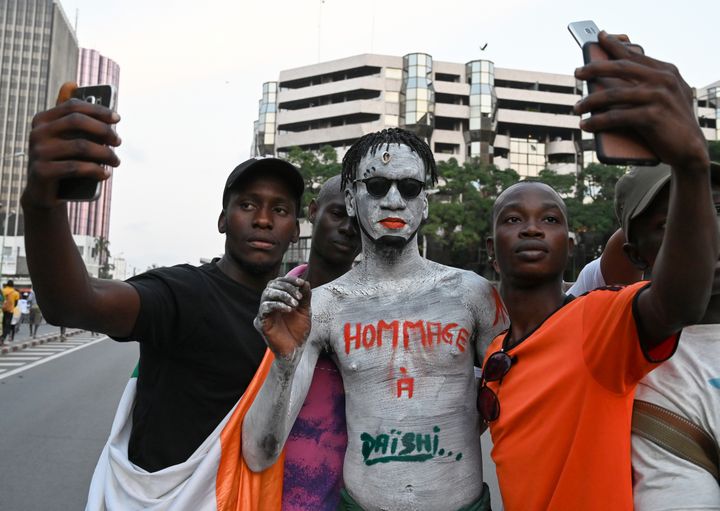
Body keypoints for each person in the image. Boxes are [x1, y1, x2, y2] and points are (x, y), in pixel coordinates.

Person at [22, 83, 304, 505]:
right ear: (222, 220)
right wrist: (42, 203)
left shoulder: (303, 314)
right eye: (247, 205)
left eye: (279, 210)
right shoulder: (185, 292)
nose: (263, 219)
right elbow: (75, 303)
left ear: (295, 230)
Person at [481, 31, 719, 511]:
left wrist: (691, 164)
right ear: (491, 248)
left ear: (569, 246)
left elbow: (678, 302)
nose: (531, 229)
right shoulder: (492, 352)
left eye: (550, 219)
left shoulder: (599, 322)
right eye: (513, 218)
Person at [244, 127, 508, 511]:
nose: (395, 201)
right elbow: (259, 453)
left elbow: (522, 405)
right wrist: (284, 362)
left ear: (426, 203)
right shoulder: (325, 306)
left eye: (411, 188)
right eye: (378, 186)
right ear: (352, 200)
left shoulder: (472, 294)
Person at [568, 162, 720, 510]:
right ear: (636, 253)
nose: (706, 232)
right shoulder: (619, 348)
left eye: (718, 209)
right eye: (670, 224)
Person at [282, 174, 361, 511]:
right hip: (272, 494)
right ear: (313, 212)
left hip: (353, 497)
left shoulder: (376, 316)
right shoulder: (274, 306)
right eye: (338, 214)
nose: (347, 228)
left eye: (358, 221)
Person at [1, 280, 20, 344]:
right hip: (10, 311)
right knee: (7, 325)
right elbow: (16, 304)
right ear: (13, 285)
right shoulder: (16, 293)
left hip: (1, 310)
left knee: (2, 324)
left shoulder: (2, 291)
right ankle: (3, 338)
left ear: (7, 284)